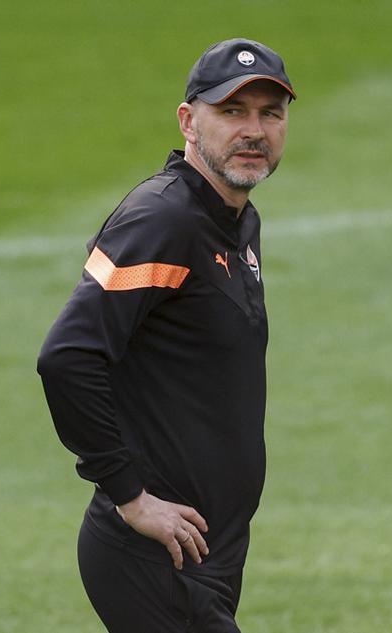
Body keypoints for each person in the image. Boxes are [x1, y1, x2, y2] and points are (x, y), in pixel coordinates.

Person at [36, 38, 295, 633]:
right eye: (232, 111)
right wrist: (128, 495)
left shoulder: (235, 220)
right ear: (188, 121)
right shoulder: (164, 220)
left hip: (207, 552)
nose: (254, 131)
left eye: (270, 113)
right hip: (154, 556)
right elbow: (67, 356)